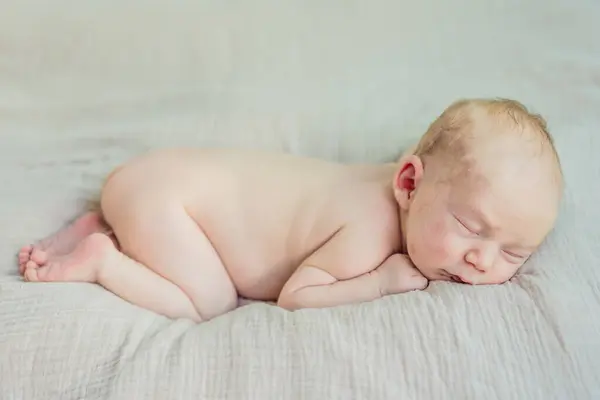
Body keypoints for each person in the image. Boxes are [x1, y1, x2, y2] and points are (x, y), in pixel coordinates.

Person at [17, 98, 563, 323]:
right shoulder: (370, 231)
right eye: (472, 228)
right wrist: (381, 282)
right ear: (408, 181)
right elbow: (297, 296)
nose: (483, 262)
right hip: (168, 202)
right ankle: (103, 259)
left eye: (514, 252)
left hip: (156, 178)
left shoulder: (398, 193)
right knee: (206, 300)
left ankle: (102, 223)